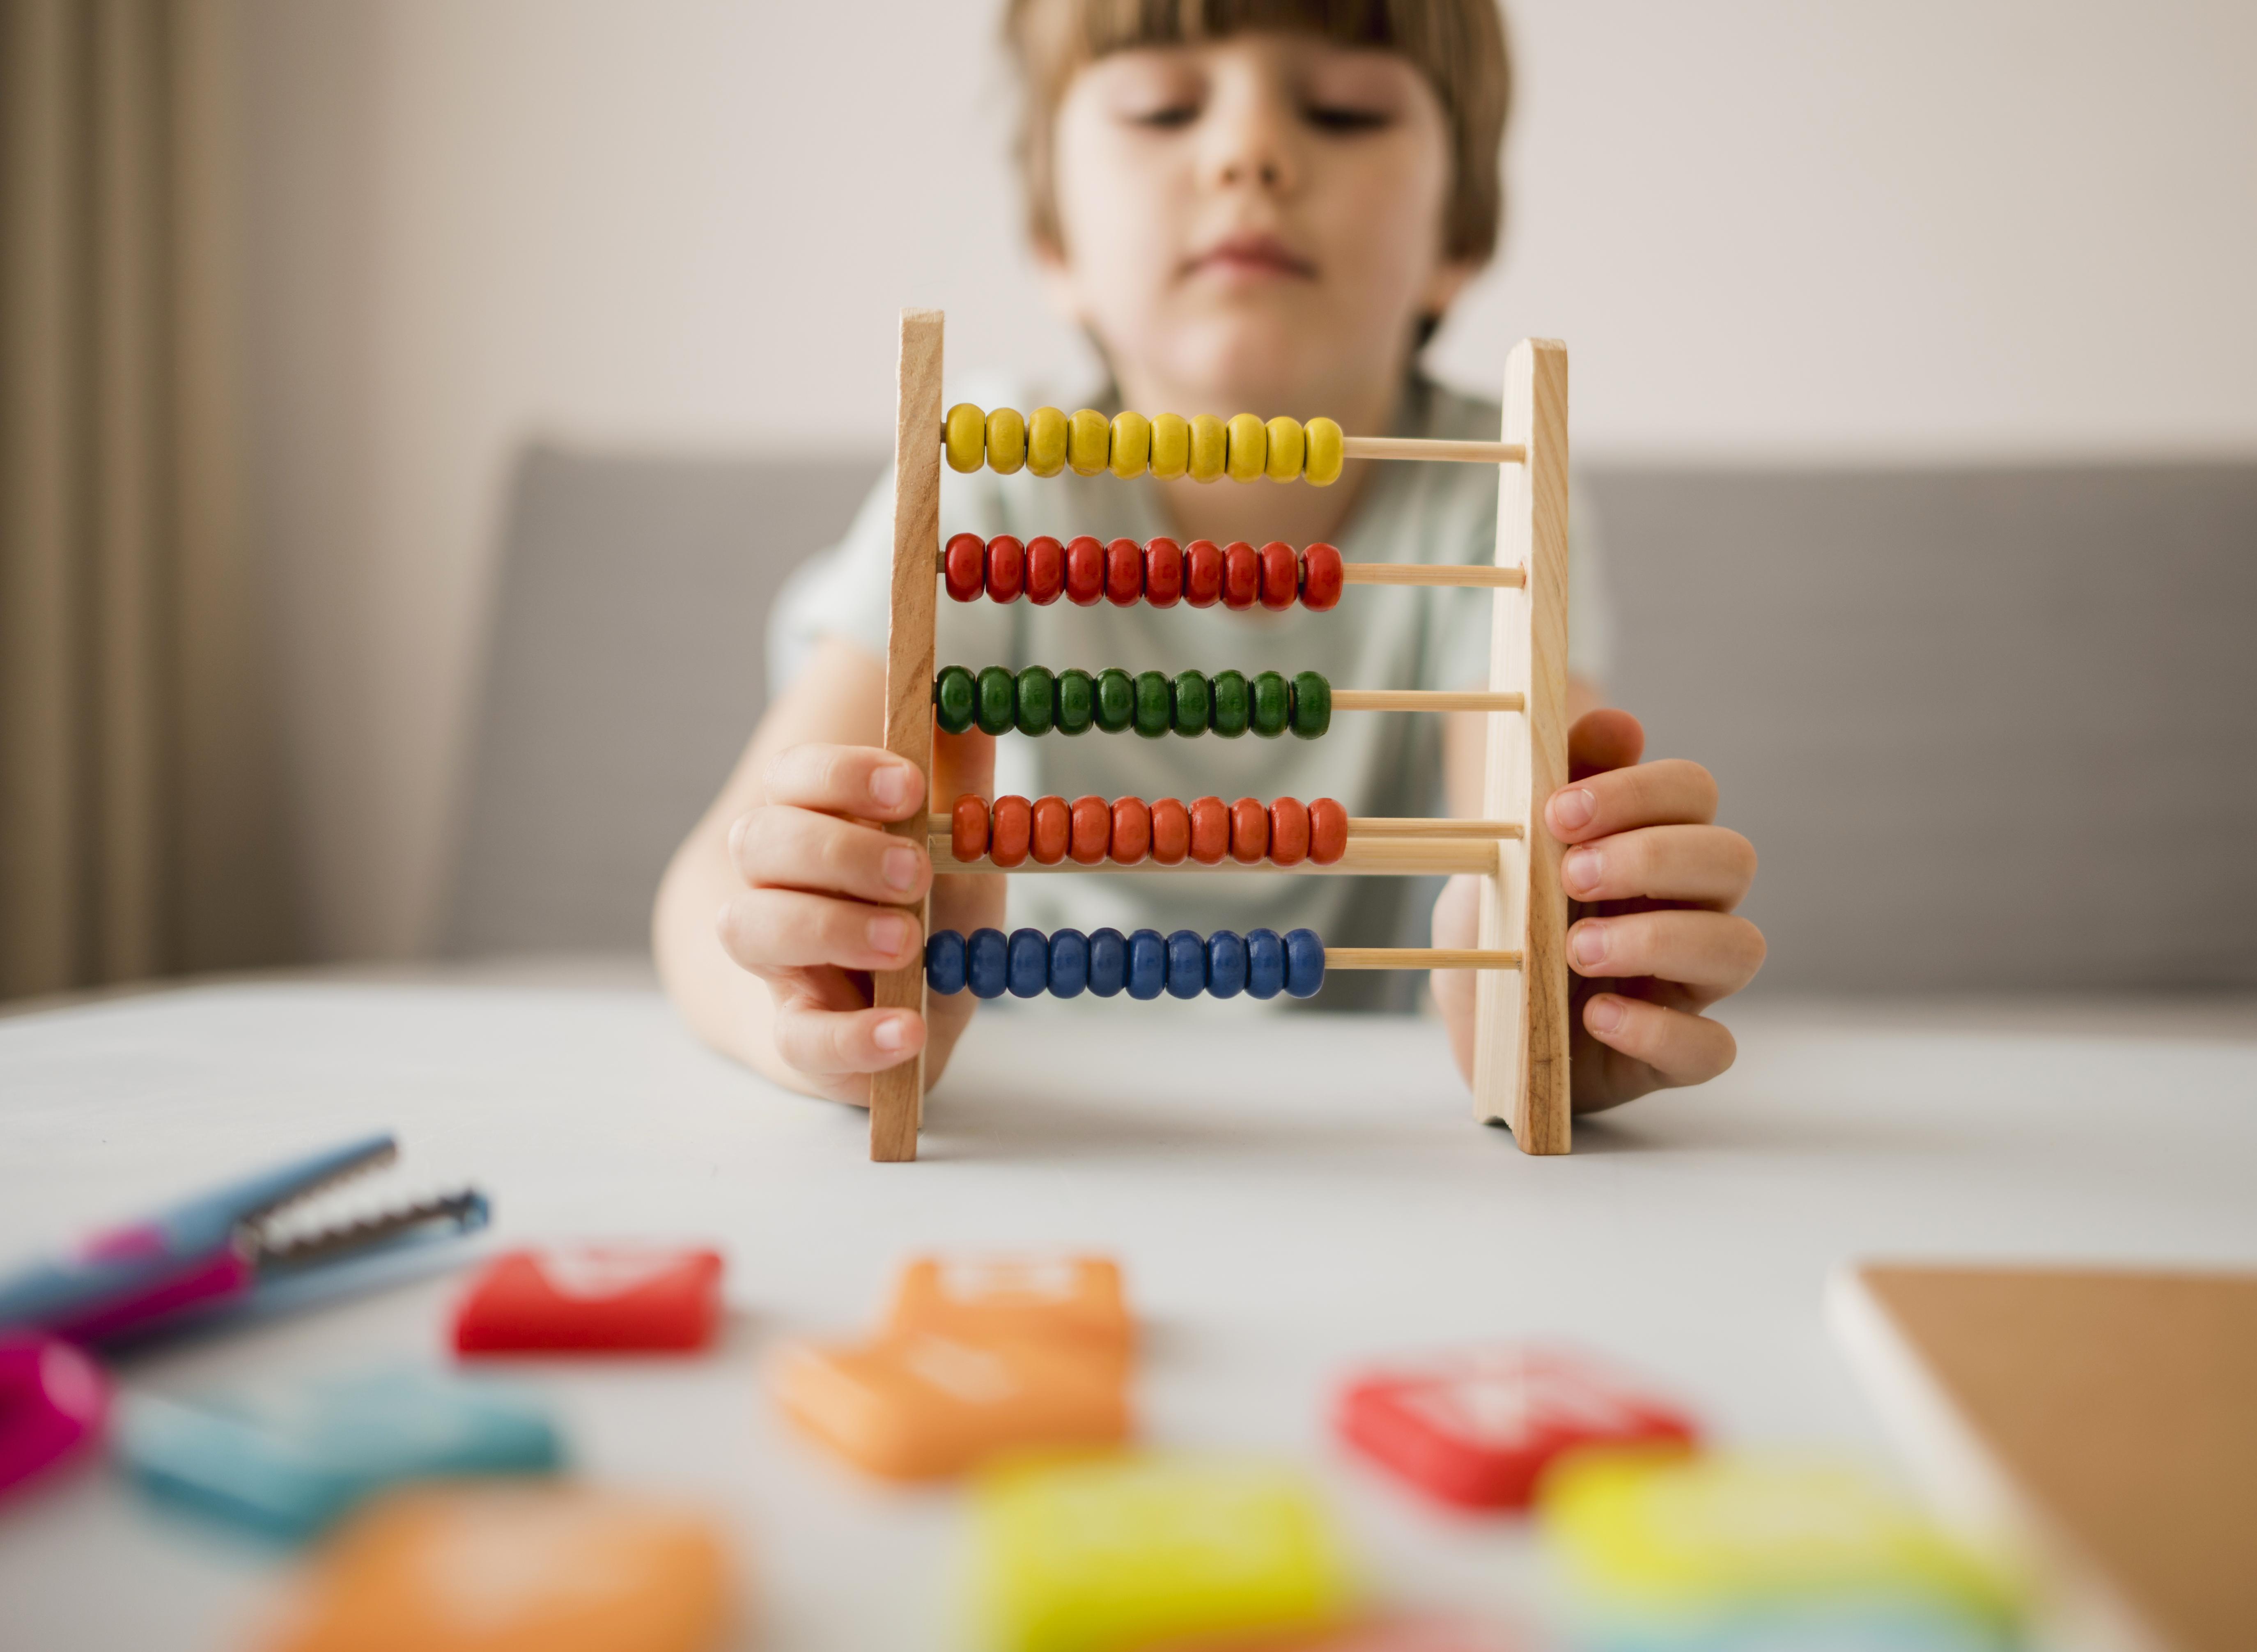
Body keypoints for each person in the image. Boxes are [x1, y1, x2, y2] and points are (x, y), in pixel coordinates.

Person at [654, 0, 1763, 1117]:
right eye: (1162, 107)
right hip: (1028, 1101)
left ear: (1455, 241)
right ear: (1056, 247)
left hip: (1361, 1125)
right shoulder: (986, 480)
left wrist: (1554, 967)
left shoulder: (1497, 490)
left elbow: (1519, 831)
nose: (1249, 153)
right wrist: (807, 1009)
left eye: (1343, 111)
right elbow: (709, 892)